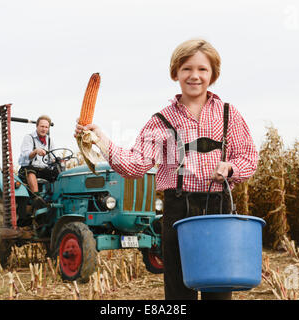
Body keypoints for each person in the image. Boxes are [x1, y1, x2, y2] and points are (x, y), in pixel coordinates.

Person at [74, 39, 258, 300]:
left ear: (213, 74)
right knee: (178, 290)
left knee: (218, 288)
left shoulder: (229, 114)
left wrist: (231, 169)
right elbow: (134, 165)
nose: (194, 76)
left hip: (218, 209)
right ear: (176, 73)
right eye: (186, 69)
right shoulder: (161, 120)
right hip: (178, 210)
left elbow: (248, 157)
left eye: (202, 69)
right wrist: (100, 138)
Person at [18, 115, 57, 194]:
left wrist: (56, 160)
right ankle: (36, 197)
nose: (44, 129)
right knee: (30, 170)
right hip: (28, 169)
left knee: (58, 172)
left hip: (43, 169)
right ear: (37, 126)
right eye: (42, 126)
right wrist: (35, 151)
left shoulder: (49, 140)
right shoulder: (29, 138)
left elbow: (52, 158)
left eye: (46, 127)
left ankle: (57, 196)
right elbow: (26, 155)